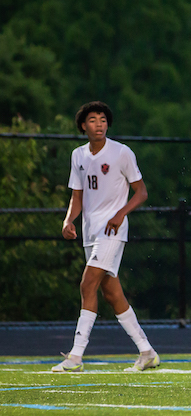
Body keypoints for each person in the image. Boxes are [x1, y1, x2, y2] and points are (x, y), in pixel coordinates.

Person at [52, 101, 159, 373]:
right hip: (90, 232)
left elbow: (142, 192)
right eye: (92, 120)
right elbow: (77, 195)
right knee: (112, 294)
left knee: (87, 285)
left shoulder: (121, 152)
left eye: (102, 119)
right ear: (82, 126)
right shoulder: (78, 155)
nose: (99, 124)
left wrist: (121, 213)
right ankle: (146, 352)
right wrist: (68, 220)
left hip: (112, 231)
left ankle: (75, 357)